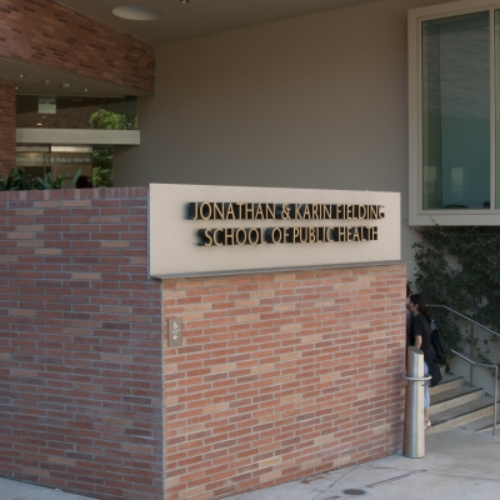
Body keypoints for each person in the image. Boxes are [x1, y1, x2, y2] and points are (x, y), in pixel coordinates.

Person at [409, 293, 442, 429]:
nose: (408, 304)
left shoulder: (417, 320)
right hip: (430, 358)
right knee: (425, 391)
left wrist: (410, 358)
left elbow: (418, 343)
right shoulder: (425, 319)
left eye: (410, 302)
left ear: (416, 305)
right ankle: (426, 419)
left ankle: (423, 420)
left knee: (421, 391)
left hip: (422, 359)